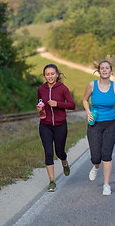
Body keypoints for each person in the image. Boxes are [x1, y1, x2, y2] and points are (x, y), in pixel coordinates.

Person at [82, 60, 115, 196]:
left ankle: (106, 185)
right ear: (99, 71)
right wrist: (88, 113)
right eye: (102, 68)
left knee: (106, 155)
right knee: (96, 157)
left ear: (111, 71)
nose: (105, 70)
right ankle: (95, 166)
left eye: (107, 68)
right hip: (94, 124)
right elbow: (84, 100)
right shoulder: (91, 85)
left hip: (111, 124)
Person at [37, 64, 76, 192]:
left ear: (57, 75)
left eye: (52, 74)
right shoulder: (41, 89)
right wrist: (40, 109)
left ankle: (64, 162)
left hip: (60, 125)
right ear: (44, 76)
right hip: (45, 125)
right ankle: (52, 181)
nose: (50, 76)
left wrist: (57, 104)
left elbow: (72, 105)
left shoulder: (63, 88)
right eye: (47, 74)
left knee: (59, 152)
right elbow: (41, 104)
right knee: (48, 152)